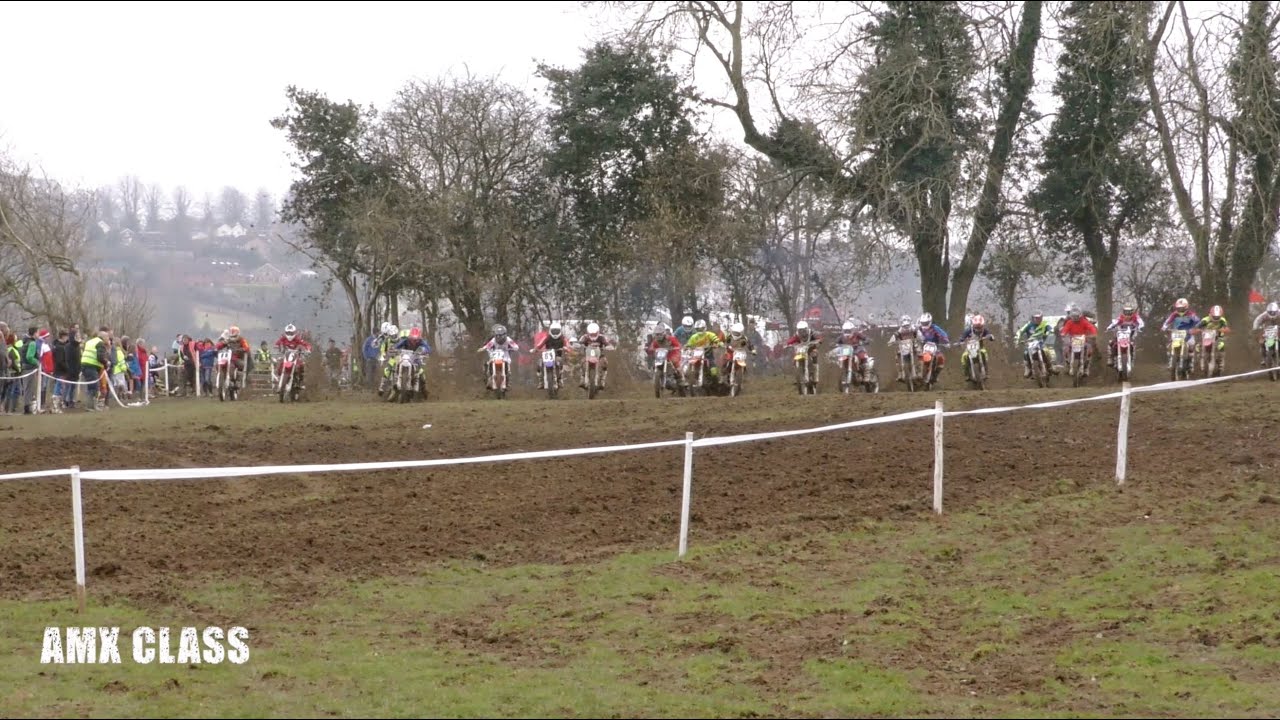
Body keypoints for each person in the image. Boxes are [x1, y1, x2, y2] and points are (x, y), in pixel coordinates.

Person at [1160, 298, 1201, 369]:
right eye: (1178, 308)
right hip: (1177, 333)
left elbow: (1198, 321)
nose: (1180, 310)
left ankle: (1191, 361)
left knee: (1191, 345)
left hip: (1188, 333)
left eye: (1182, 308)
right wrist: (1164, 327)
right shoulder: (1174, 314)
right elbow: (1168, 321)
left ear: (1186, 307)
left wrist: (1196, 328)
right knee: (1170, 345)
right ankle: (1170, 360)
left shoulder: (1191, 314)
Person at [1059, 304, 1099, 375]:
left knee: (1089, 347)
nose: (1075, 318)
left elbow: (1091, 327)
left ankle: (1086, 367)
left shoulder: (1084, 321)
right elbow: (1065, 329)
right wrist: (1063, 334)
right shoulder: (1069, 322)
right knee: (1066, 347)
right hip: (1073, 339)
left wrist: (1093, 333)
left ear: (1080, 315)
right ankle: (1067, 363)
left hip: (1083, 338)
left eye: (1076, 316)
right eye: (1073, 316)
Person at [478, 324, 520, 389]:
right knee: (488, 363)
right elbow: (488, 345)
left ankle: (508, 380)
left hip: (505, 354)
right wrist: (483, 348)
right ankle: (489, 377)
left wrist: (514, 348)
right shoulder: (493, 340)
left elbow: (515, 345)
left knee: (508, 364)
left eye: (501, 335)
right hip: (495, 354)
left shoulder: (508, 340)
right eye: (497, 335)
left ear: (504, 334)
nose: (499, 337)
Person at [1017, 312, 1058, 378]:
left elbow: (1050, 329)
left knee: (1047, 351)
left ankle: (1051, 366)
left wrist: (1048, 332)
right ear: (1033, 318)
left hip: (1041, 342)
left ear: (1041, 318)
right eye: (1036, 318)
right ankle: (1027, 369)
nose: (1037, 320)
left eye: (1039, 318)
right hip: (1030, 343)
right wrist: (1018, 339)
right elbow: (1020, 332)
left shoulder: (1044, 324)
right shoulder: (1029, 325)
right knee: (1025, 353)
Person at [575, 321, 614, 389]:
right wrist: (577, 345)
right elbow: (580, 342)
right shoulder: (585, 337)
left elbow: (607, 343)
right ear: (588, 332)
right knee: (582, 362)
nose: (593, 335)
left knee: (605, 362)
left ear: (597, 332)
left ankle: (602, 380)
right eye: (591, 334)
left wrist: (609, 347)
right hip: (587, 356)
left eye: (594, 334)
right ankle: (582, 378)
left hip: (600, 356)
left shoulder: (601, 337)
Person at [532, 321, 571, 390]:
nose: (555, 332)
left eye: (557, 331)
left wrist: (566, 348)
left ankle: (560, 380)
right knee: (540, 363)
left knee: (560, 362)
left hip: (557, 356)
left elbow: (567, 344)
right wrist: (535, 349)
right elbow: (540, 344)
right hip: (548, 355)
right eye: (554, 331)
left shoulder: (562, 338)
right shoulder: (547, 337)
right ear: (550, 330)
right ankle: (541, 381)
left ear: (560, 331)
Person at [957, 314, 996, 382]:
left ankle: (986, 372)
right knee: (964, 357)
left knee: (984, 353)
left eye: (980, 327)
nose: (978, 329)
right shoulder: (969, 330)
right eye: (976, 327)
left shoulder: (985, 330)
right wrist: (960, 342)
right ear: (973, 325)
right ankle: (967, 374)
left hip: (980, 348)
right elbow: (962, 337)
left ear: (983, 325)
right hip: (969, 349)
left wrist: (990, 337)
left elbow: (990, 335)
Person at [274, 323, 313, 389]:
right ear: (285, 332)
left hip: (295, 356)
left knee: (301, 365)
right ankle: (279, 376)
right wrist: (277, 346)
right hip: (286, 356)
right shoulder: (283, 338)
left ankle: (301, 382)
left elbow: (306, 344)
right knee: (280, 363)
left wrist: (308, 349)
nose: (289, 335)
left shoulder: (297, 339)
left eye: (291, 333)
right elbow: (277, 343)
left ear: (294, 332)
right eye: (288, 333)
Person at [916, 313, 950, 382]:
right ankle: (915, 372)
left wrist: (946, 341)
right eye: (923, 323)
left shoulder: (934, 328)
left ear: (930, 322)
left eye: (926, 323)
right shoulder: (918, 328)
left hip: (934, 347)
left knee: (941, 358)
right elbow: (913, 333)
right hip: (922, 347)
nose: (925, 324)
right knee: (916, 356)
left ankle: (935, 375)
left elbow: (943, 334)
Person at [1196, 305, 1231, 371]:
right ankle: (1198, 358)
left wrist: (1225, 329)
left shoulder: (1222, 320)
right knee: (1198, 346)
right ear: (1210, 314)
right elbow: (1197, 326)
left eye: (1218, 316)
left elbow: (1226, 328)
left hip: (1218, 336)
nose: (1216, 318)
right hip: (1207, 336)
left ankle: (1221, 362)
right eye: (1214, 316)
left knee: (1221, 345)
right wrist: (1197, 329)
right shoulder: (1205, 320)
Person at [1252, 301, 1280, 366]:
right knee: (1262, 341)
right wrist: (1255, 327)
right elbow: (1257, 320)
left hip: (1278, 329)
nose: (1272, 314)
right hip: (1268, 330)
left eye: (1274, 312)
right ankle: (1264, 358)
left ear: (1277, 311)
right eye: (1270, 312)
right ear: (1267, 311)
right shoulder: (1264, 315)